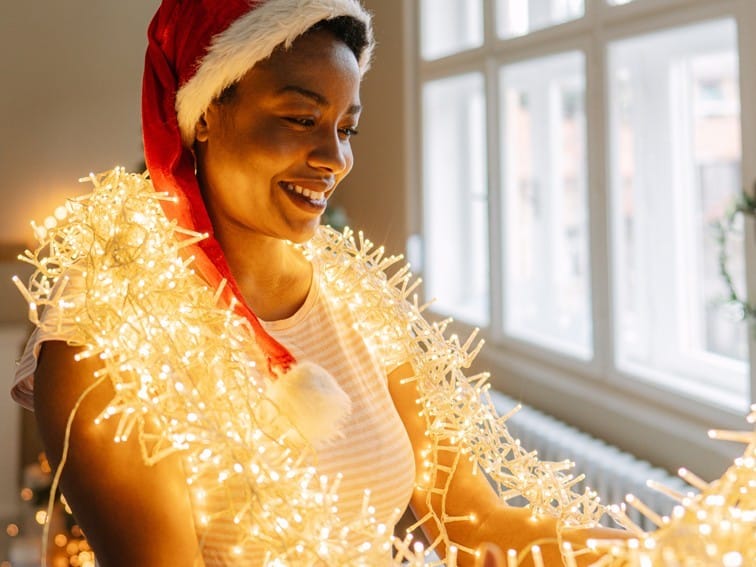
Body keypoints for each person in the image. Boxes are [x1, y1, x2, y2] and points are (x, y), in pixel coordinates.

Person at [11, 1, 625, 565]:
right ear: (203, 114)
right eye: (302, 118)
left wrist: (655, 551)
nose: (335, 157)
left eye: (347, 127)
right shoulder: (107, 339)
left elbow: (472, 525)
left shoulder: (359, 299)